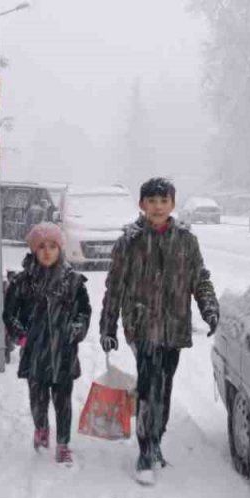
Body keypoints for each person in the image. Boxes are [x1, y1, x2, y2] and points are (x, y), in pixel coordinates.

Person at [99, 176, 219, 482]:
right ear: (141, 205)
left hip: (175, 325)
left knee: (164, 388)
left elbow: (199, 278)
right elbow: (115, 286)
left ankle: (156, 440)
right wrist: (108, 326)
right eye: (151, 201)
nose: (157, 207)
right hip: (141, 325)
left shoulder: (186, 241)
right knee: (150, 386)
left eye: (163, 201)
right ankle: (145, 450)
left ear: (172, 205)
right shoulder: (130, 241)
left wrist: (209, 309)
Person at [3, 221, 92, 465]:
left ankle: (63, 443)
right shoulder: (22, 283)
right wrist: (20, 335)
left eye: (52, 246)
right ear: (33, 250)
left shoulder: (72, 282)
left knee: (63, 403)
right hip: (35, 355)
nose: (47, 251)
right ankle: (41, 429)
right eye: (41, 246)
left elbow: (83, 311)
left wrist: (77, 329)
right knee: (38, 399)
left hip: (63, 354)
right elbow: (9, 313)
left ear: (60, 249)